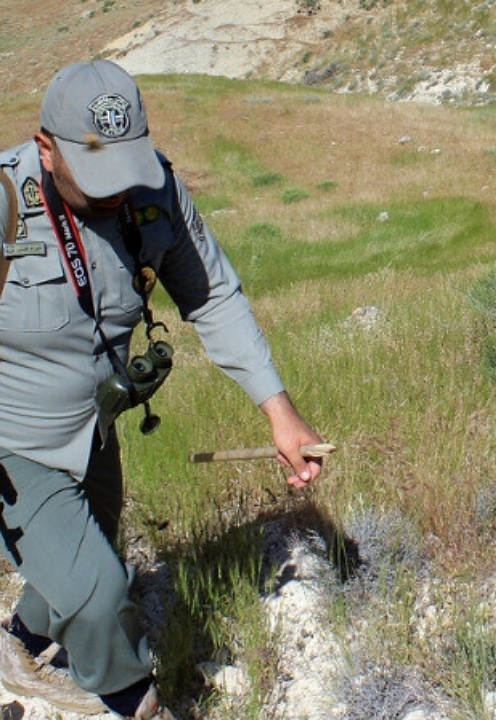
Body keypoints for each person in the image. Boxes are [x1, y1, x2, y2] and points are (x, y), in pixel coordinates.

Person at [0, 60, 325, 718]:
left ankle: (17, 646)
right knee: (99, 593)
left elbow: (214, 296)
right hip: (15, 439)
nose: (117, 191)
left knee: (93, 538)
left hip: (94, 427)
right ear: (45, 149)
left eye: (126, 168)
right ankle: (132, 702)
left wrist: (280, 411)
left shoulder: (155, 191)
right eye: (97, 177)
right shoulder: (7, 203)